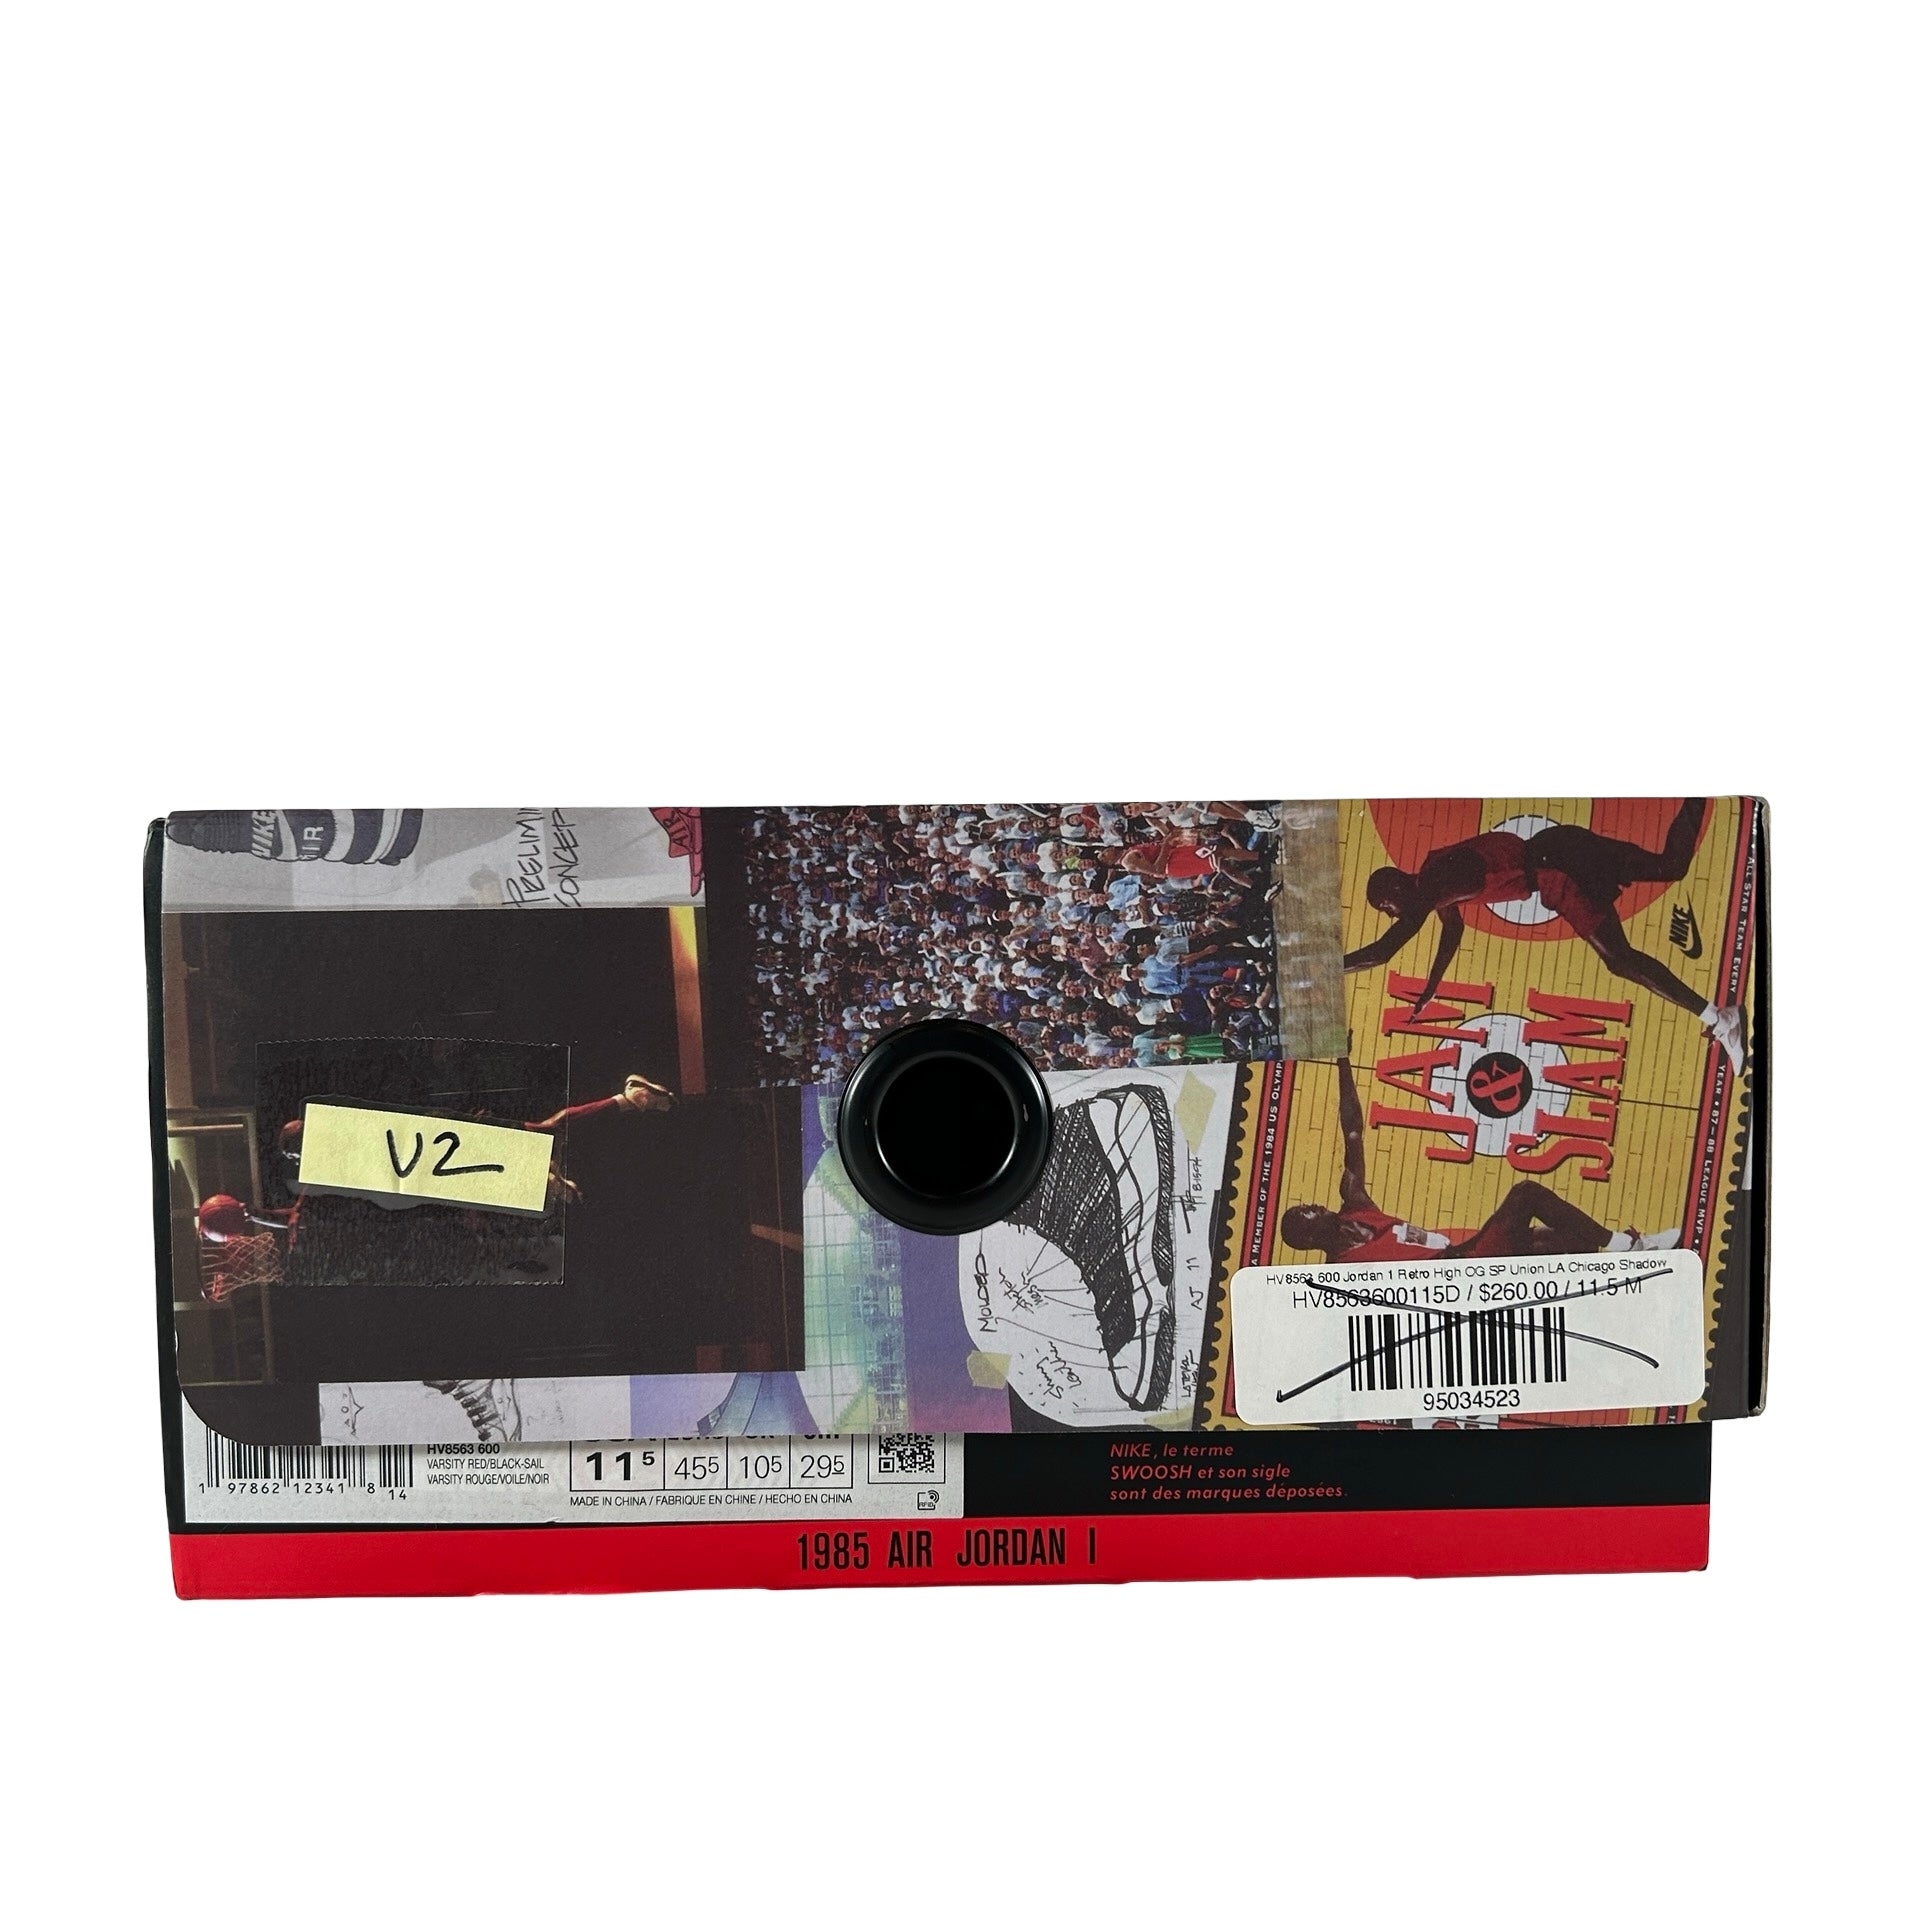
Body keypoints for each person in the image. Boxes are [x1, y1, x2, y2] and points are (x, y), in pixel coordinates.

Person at [1343, 799, 1745, 1071]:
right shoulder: (1435, 875)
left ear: (1395, 888)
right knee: (1668, 866)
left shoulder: (1434, 884)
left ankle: (1720, 1018)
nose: (1391, 915)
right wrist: (1430, 988)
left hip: (1558, 871)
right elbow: (1452, 929)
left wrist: (1329, 968)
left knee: (1619, 960)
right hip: (1561, 846)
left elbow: (1383, 951)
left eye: (1386, 908)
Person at [1278, 1059, 1679, 1262]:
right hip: (1459, 1277)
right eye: (1305, 1212)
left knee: (1557, 1241)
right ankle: (1626, 1247)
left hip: (1463, 1254)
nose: (1314, 1204)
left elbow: (1352, 1130)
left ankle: (1635, 1257)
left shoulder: (1355, 1205)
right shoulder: (1342, 1270)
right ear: (1309, 1238)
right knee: (1525, 1194)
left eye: (1308, 1203)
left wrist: (1342, 1061)